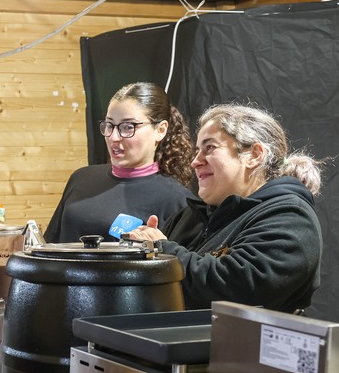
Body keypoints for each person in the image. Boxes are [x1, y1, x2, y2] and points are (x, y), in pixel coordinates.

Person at [128, 103, 322, 313]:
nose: (195, 162)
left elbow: (234, 290)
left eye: (210, 148)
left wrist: (160, 250)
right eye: (197, 151)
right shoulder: (188, 217)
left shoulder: (290, 217)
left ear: (254, 155)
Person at [44, 82, 195, 243]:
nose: (113, 137)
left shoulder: (178, 200)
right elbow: (48, 244)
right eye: (109, 125)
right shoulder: (81, 178)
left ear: (160, 130)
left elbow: (180, 257)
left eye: (128, 127)